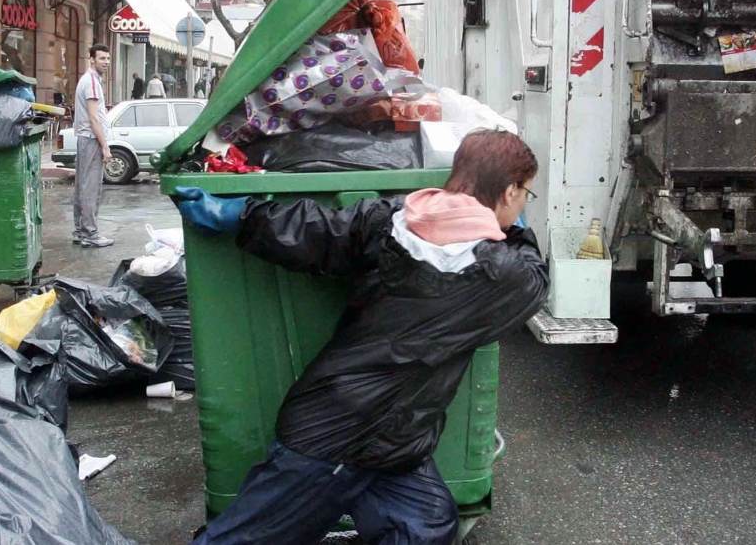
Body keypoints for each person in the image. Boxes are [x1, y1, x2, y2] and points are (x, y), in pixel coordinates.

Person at [173, 129, 548, 545]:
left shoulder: (397, 219)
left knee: (425, 528)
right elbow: (535, 281)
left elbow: (321, 232)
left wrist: (242, 214)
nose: (523, 204)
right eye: (525, 194)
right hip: (342, 435)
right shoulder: (500, 273)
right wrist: (516, 230)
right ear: (510, 190)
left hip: (390, 439)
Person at [72, 44, 114, 249]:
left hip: (85, 138)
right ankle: (90, 233)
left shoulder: (90, 80)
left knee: (82, 186)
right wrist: (104, 146)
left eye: (107, 58)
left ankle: (80, 231)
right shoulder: (91, 83)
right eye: (102, 58)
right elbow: (93, 118)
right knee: (90, 187)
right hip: (90, 139)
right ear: (91, 60)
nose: (106, 62)